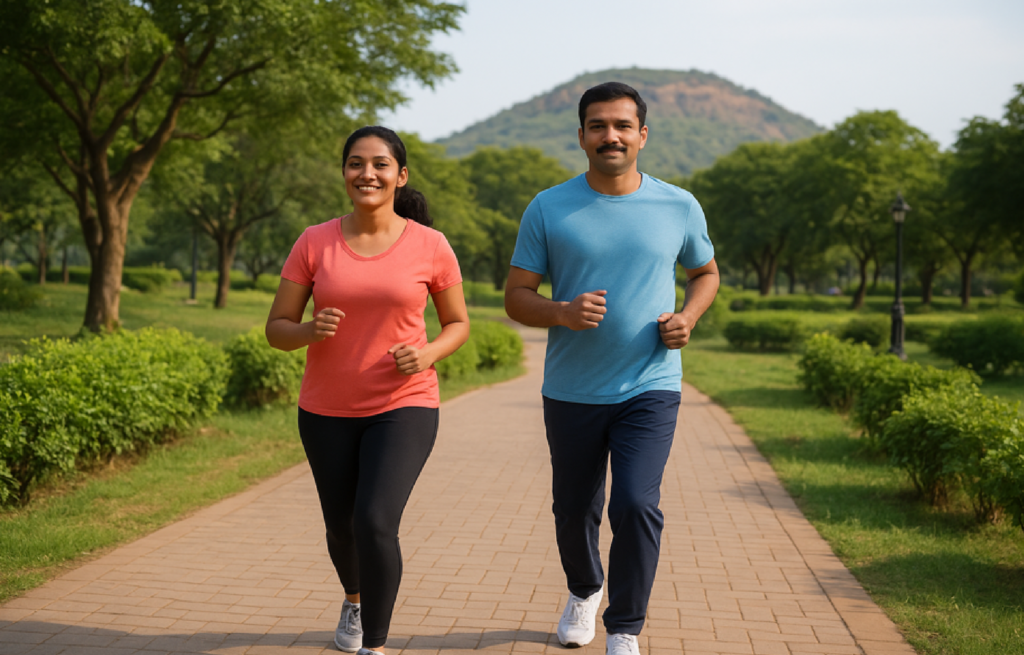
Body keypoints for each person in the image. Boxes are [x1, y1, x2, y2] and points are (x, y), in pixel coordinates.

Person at [504, 82, 719, 655]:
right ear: (581, 137)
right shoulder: (548, 206)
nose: (610, 136)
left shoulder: (679, 205)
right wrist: (561, 312)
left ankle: (625, 628)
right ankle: (584, 589)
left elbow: (706, 273)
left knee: (635, 504)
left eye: (622, 126)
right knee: (574, 509)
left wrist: (689, 318)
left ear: (642, 136)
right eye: (597, 126)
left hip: (649, 384)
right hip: (571, 389)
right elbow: (517, 296)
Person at [266, 126, 470, 655]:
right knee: (341, 527)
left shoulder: (431, 245)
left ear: (401, 176)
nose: (367, 174)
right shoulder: (315, 241)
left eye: (380, 164)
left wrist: (426, 354)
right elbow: (277, 328)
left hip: (404, 403)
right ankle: (354, 600)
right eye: (356, 163)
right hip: (326, 407)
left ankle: (374, 646)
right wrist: (309, 330)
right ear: (344, 173)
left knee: (374, 519)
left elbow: (457, 325)